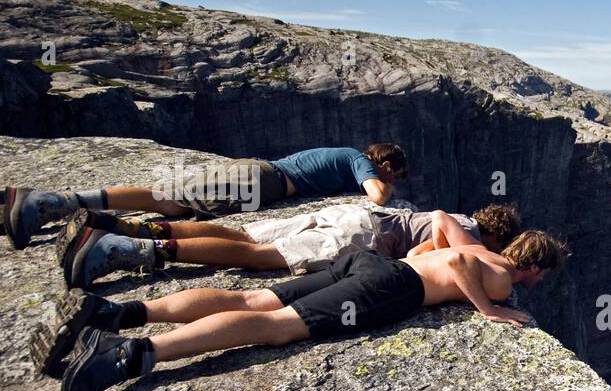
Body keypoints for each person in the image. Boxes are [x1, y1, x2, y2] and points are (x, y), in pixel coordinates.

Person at [37, 230, 569, 391]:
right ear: (536, 265)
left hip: (366, 265)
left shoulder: (478, 243)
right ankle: (128, 353)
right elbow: (457, 269)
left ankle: (116, 313)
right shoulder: (501, 278)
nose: (538, 282)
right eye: (543, 273)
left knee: (248, 294)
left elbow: (438, 238)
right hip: (387, 291)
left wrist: (419, 261)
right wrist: (488, 309)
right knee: (273, 327)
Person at [2, 143, 408, 251]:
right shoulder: (361, 161)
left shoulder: (344, 157)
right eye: (396, 173)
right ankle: (50, 202)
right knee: (167, 199)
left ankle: (61, 207)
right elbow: (375, 198)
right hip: (263, 180)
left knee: (173, 204)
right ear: (385, 163)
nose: (394, 180)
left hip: (258, 179)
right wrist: (385, 186)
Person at [53, 201, 522, 288]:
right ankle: (119, 251)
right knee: (255, 257)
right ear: (496, 232)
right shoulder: (474, 235)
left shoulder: (462, 216)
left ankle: (125, 229)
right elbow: (445, 237)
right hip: (363, 237)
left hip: (351, 215)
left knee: (242, 234)